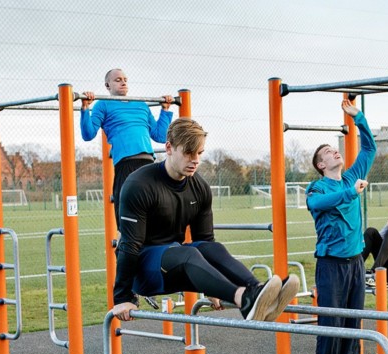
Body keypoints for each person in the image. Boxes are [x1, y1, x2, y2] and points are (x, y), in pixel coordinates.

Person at [109, 118, 300, 323]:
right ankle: (244, 299)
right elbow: (130, 246)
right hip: (143, 269)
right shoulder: (139, 184)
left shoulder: (199, 187)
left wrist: (215, 285)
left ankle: (257, 291)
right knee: (187, 252)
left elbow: (206, 243)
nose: (195, 160)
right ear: (169, 148)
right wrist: (122, 296)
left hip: (176, 262)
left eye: (199, 153)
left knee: (212, 248)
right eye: (188, 153)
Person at [305, 98, 377, 354]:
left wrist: (357, 116)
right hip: (331, 265)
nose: (335, 152)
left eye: (334, 150)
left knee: (353, 324)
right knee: (330, 325)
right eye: (327, 153)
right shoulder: (318, 188)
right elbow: (317, 205)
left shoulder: (350, 175)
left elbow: (370, 149)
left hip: (355, 263)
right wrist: (350, 192)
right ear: (322, 165)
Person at [80, 68, 174, 219]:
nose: (123, 82)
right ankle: (125, 241)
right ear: (107, 85)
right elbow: (88, 134)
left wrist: (165, 110)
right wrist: (85, 108)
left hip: (149, 163)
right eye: (117, 80)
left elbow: (160, 136)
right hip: (126, 164)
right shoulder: (103, 104)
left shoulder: (141, 105)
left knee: (155, 209)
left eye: (125, 79)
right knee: (125, 211)